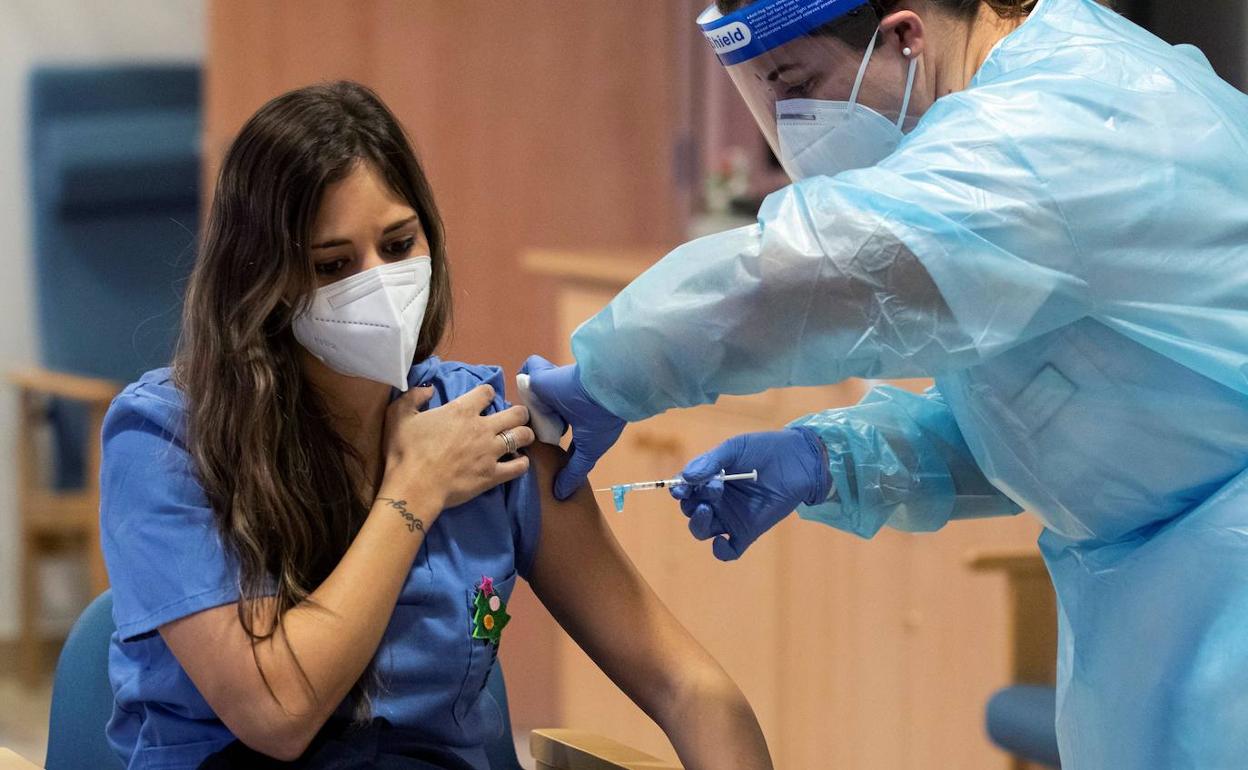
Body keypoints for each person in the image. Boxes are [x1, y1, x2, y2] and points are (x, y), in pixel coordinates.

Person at [522, 0, 1248, 766]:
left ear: (904, 36)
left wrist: (609, 374)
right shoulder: (1031, 107)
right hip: (1177, 610)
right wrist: (833, 459)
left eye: (796, 86)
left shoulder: (1063, 118)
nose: (787, 123)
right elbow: (1075, 416)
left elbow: (811, 272)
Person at [99, 82, 772, 770]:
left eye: (398, 244)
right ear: (261, 277)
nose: (381, 282)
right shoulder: (168, 440)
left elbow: (690, 690)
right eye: (332, 265)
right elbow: (277, 714)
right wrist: (413, 491)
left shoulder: (482, 428)